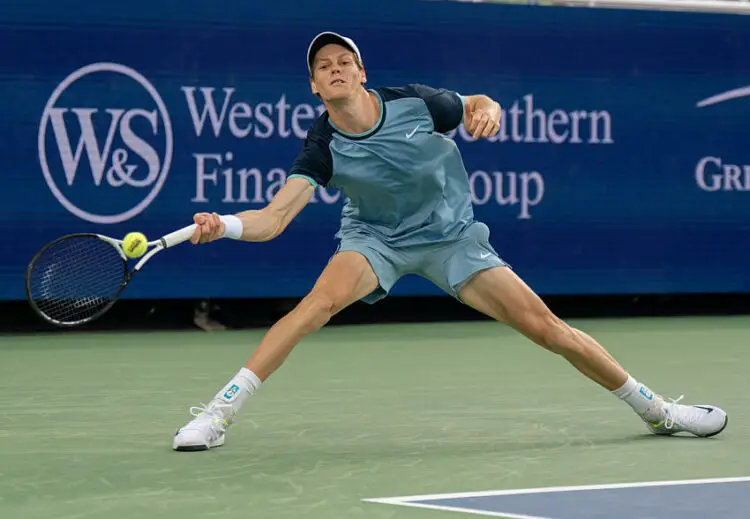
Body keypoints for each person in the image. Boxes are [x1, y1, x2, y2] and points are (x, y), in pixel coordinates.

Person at [172, 32, 728, 451]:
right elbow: (273, 218)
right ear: (314, 87)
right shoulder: (322, 145)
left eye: (344, 62)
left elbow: (480, 103)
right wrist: (226, 223)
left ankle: (658, 412)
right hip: (376, 240)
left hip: (451, 237)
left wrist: (487, 111)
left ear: (361, 73)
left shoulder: (415, 103)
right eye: (324, 67)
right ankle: (218, 415)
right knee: (313, 307)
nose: (335, 70)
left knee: (547, 329)